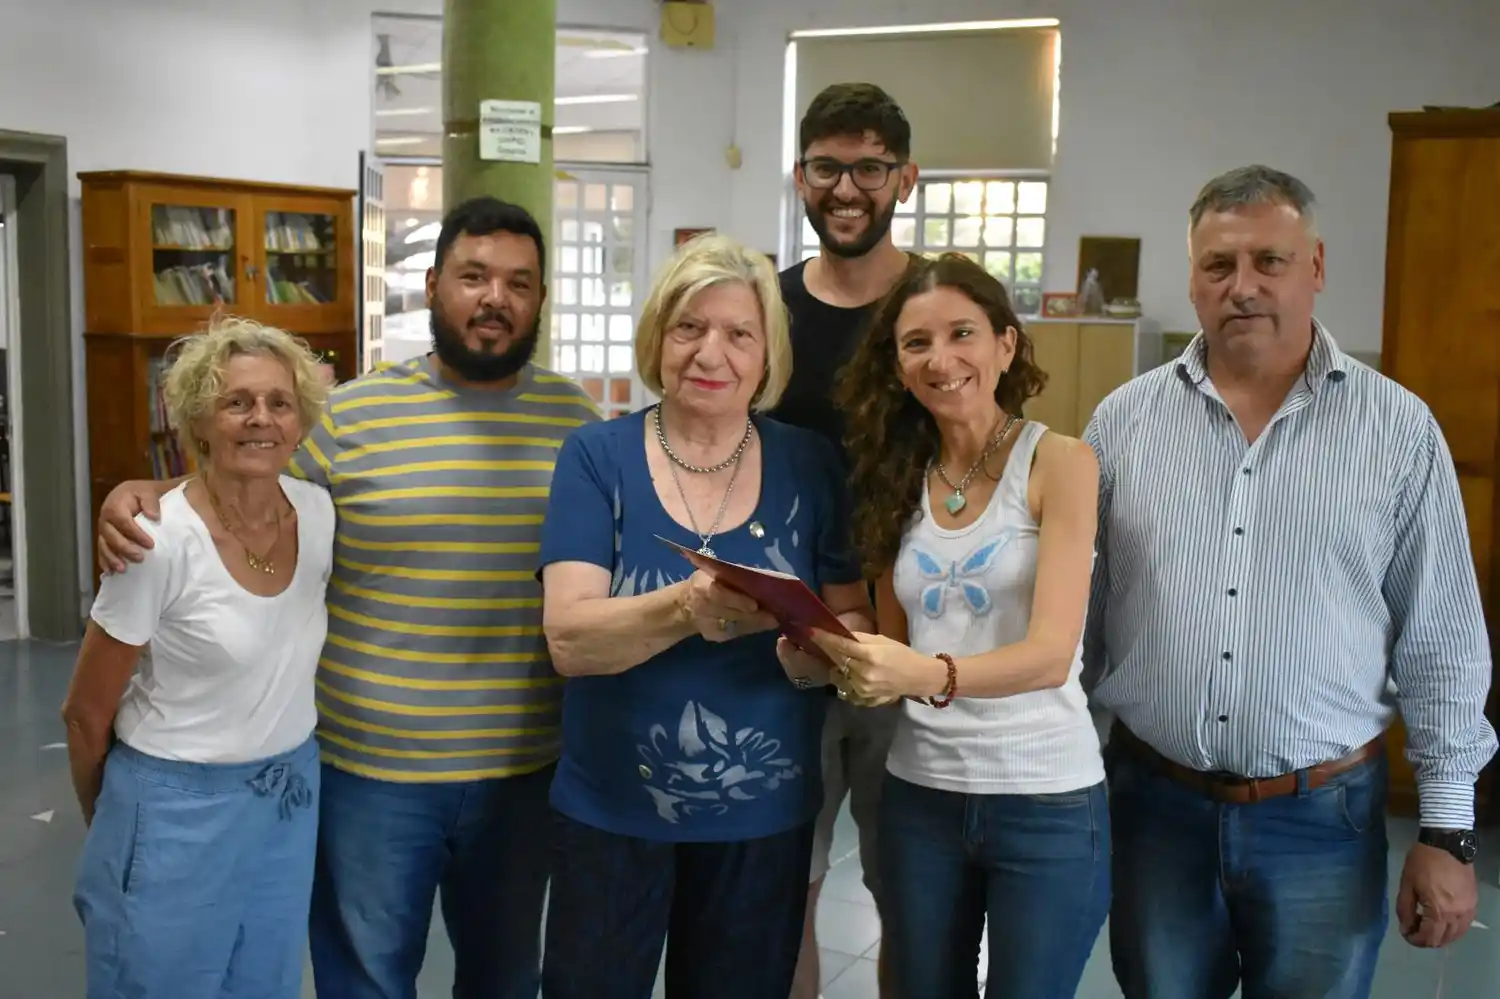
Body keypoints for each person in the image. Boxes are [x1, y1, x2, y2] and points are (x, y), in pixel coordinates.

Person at [92, 196, 598, 999]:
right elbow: (239, 488)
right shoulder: (351, 417)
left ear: (540, 299)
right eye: (473, 276)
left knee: (505, 980)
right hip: (371, 773)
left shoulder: (577, 424)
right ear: (433, 286)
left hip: (521, 769)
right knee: (365, 980)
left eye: (518, 282)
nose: (494, 298)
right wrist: (142, 488)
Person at [1083, 164, 1498, 999]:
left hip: (1323, 820)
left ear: (1315, 268)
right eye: (1218, 266)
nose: (1243, 288)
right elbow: (1080, 626)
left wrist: (1448, 831)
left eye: (1269, 261)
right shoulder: (1121, 423)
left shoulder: (1397, 429)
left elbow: (1443, 643)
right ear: (1192, 277)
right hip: (1154, 809)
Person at [536, 232, 875, 999]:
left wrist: (809, 648)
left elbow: (850, 616)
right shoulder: (596, 456)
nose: (710, 352)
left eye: (738, 333)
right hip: (610, 813)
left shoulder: (808, 462)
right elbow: (569, 637)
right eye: (690, 327)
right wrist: (691, 606)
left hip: (762, 819)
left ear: (767, 357)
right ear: (659, 337)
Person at [794, 252, 1110, 998]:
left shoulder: (1061, 463)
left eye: (962, 333)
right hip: (921, 795)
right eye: (916, 343)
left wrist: (925, 675)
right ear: (897, 364)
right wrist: (819, 647)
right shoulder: (895, 476)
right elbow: (891, 648)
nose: (941, 360)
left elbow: (1049, 654)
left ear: (1006, 344)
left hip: (1046, 800)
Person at [63, 317, 335, 999]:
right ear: (198, 418)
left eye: (278, 402)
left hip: (286, 799)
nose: (260, 419)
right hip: (172, 803)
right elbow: (84, 711)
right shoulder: (153, 536)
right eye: (236, 401)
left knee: (265, 980)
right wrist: (123, 822)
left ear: (300, 420)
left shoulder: (318, 512)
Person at [767, 80, 918, 999]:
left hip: (913, 636)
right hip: (786, 636)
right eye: (829, 167)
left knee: (912, 889)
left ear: (905, 177)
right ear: (800, 177)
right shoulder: (769, 308)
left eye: (869, 166)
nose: (848, 187)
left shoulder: (940, 306)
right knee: (790, 879)